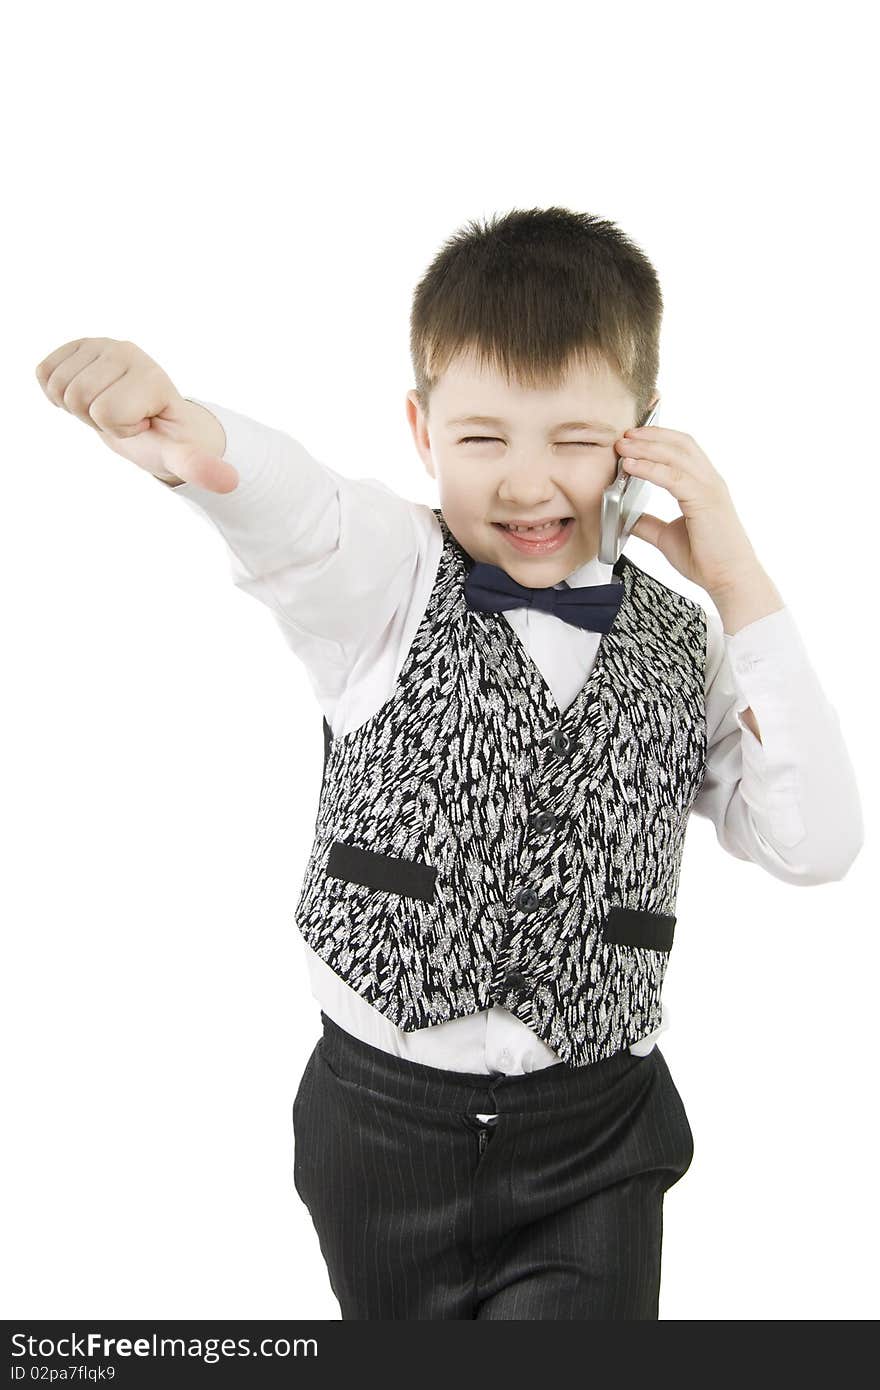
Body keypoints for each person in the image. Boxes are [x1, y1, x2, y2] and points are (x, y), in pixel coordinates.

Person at [35, 205, 863, 1320]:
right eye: (483, 438)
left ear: (643, 436)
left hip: (597, 1134)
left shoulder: (687, 643)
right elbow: (301, 514)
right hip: (378, 1128)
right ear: (421, 431)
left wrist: (742, 584)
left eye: (573, 440)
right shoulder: (387, 578)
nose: (527, 484)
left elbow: (814, 845)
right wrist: (195, 435)